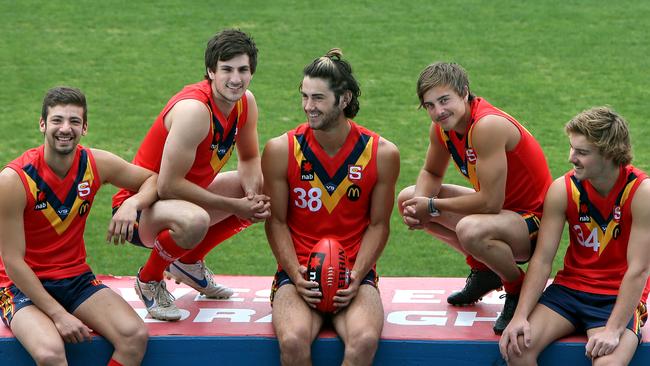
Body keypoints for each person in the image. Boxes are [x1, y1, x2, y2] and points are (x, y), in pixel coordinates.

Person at [112, 29, 270, 321]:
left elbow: (249, 157)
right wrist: (237, 207)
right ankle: (149, 280)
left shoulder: (245, 102)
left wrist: (250, 195)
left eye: (243, 70)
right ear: (211, 71)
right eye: (226, 70)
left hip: (185, 198)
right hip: (142, 209)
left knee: (264, 188)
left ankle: (188, 262)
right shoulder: (194, 111)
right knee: (195, 220)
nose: (235, 79)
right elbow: (168, 186)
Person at [262, 49, 400, 365]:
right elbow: (277, 222)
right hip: (297, 277)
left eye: (319, 98)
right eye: (305, 97)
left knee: (363, 341)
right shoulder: (281, 149)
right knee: (294, 341)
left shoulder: (382, 154)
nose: (309, 107)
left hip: (355, 274)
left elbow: (379, 225)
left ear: (344, 98)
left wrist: (356, 276)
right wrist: (296, 275)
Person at [0, 87, 151, 366]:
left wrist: (132, 204)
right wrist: (59, 315)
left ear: (85, 128)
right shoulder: (13, 180)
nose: (65, 128)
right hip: (19, 286)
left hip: (74, 277)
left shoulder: (95, 163)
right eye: (57, 120)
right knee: (50, 353)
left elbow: (152, 180)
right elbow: (13, 262)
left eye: (74, 121)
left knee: (134, 336)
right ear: (42, 124)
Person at [398, 62, 552, 334]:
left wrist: (432, 205)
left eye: (444, 100)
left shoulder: (487, 126)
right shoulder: (443, 128)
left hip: (532, 221)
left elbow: (490, 202)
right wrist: (420, 204)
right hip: (501, 213)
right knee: (408, 198)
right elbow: (431, 172)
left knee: (469, 229)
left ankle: (517, 288)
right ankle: (485, 271)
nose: (438, 111)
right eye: (429, 105)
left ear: (464, 93)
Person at [499, 107, 650, 365]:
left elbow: (639, 269)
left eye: (582, 152)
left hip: (617, 296)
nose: (571, 158)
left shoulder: (641, 193)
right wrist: (520, 316)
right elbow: (543, 259)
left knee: (608, 364)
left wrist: (613, 330)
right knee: (517, 349)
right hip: (569, 291)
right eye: (572, 148)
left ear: (609, 154)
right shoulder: (563, 189)